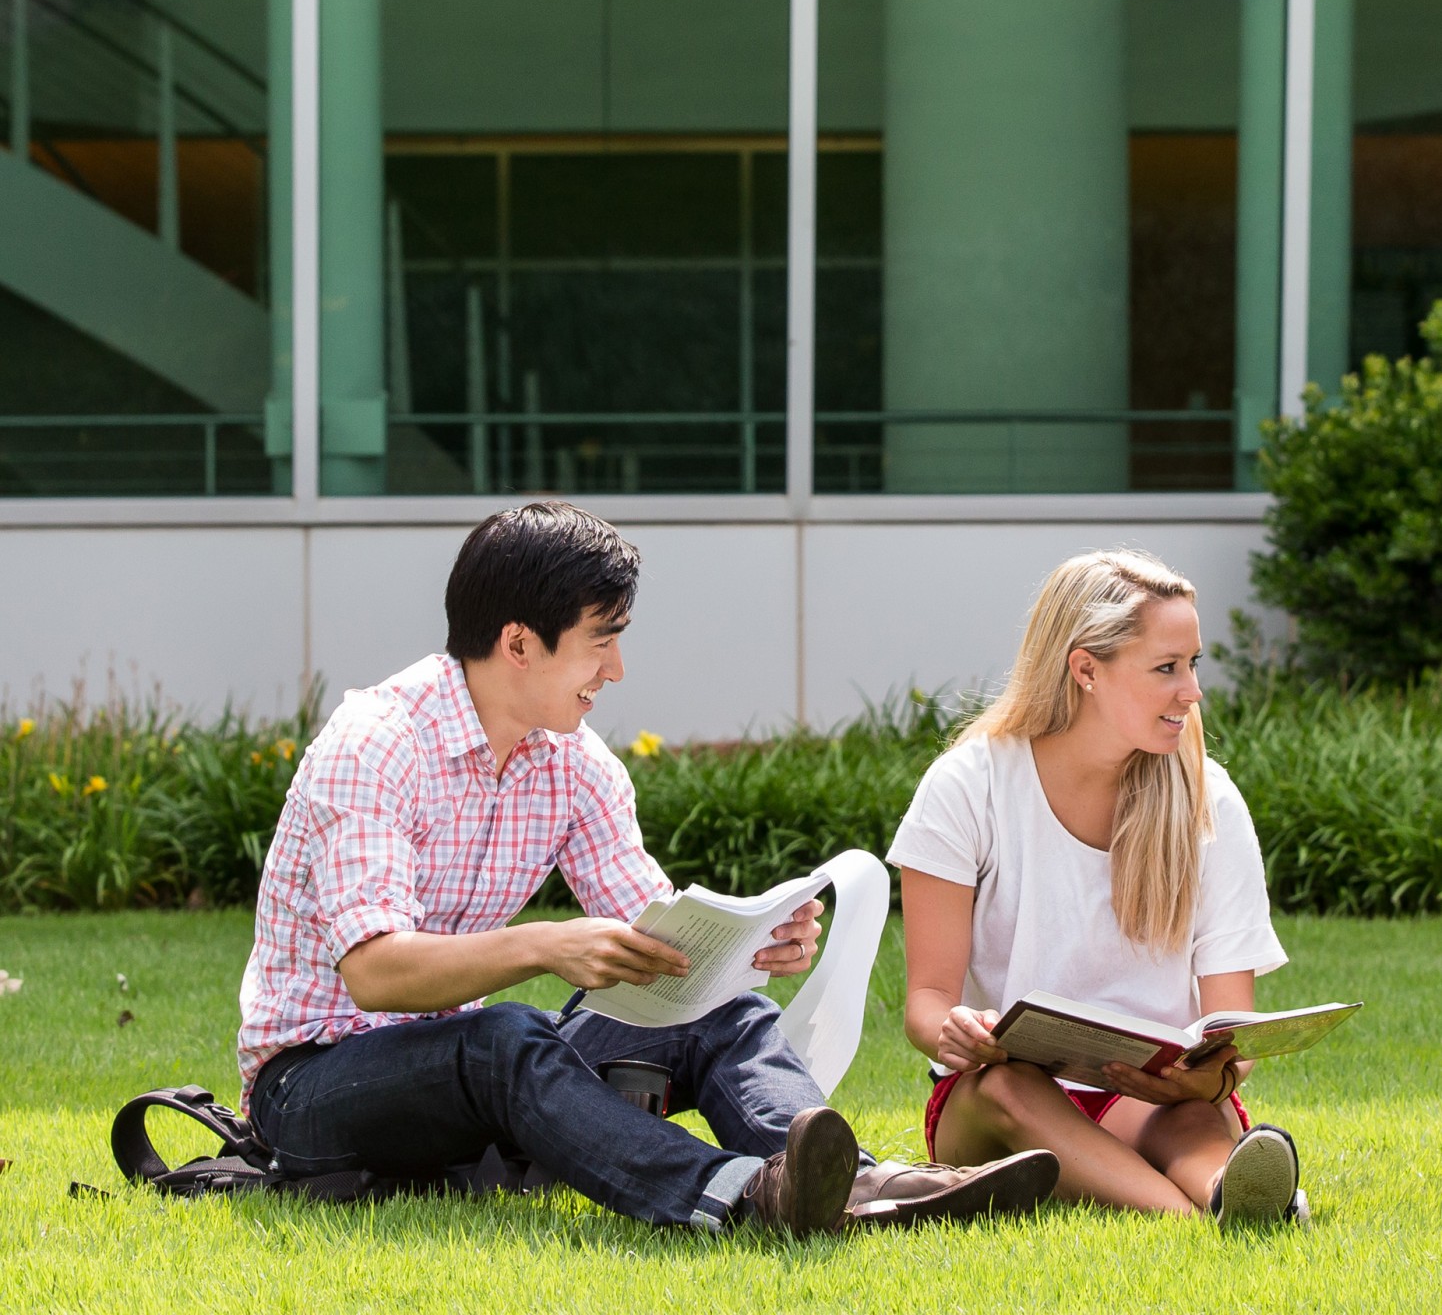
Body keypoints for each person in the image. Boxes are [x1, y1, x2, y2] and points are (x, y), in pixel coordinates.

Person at [238, 502, 1060, 1235]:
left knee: (717, 1009)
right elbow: (375, 972)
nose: (616, 669)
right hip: (314, 1088)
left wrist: (742, 948)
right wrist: (547, 945)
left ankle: (860, 1184)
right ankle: (740, 1196)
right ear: (518, 643)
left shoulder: (572, 762)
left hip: (461, 1079)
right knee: (504, 1035)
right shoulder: (376, 744)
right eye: (602, 640)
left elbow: (654, 939)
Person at [889, 548, 1310, 1228]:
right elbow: (926, 1005)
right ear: (1085, 669)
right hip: (994, 1100)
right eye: (1167, 668)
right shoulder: (969, 786)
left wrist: (1208, 1078)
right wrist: (959, 1031)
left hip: (1156, 1100)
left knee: (1190, 1120)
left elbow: (1229, 1027)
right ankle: (1202, 1218)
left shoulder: (1209, 800)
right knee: (1012, 1087)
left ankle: (1230, 1194)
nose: (1193, 692)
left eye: (1194, 665)